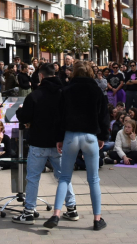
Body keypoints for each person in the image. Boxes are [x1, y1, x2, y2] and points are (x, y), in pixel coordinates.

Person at [45, 61, 109, 231]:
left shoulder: (65, 90)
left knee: (64, 177)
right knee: (94, 179)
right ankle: (97, 219)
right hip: (90, 136)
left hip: (70, 135)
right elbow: (103, 116)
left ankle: (56, 214)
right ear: (90, 73)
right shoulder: (97, 90)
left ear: (73, 73)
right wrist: (103, 136)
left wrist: (59, 138)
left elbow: (59, 117)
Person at [12, 62, 77, 222]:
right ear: (55, 74)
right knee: (63, 176)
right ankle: (71, 207)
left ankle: (29, 211)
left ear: (40, 76)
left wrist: (20, 110)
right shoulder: (64, 93)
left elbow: (24, 117)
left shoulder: (34, 95)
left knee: (33, 177)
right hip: (59, 142)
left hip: (38, 141)